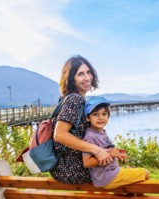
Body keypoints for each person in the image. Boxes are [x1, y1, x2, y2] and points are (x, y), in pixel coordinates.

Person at [50, 55, 113, 184]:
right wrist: (97, 150)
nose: (87, 77)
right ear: (72, 79)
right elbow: (59, 135)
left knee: (114, 163)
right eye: (80, 74)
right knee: (122, 173)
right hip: (72, 168)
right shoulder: (75, 99)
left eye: (88, 72)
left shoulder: (67, 98)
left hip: (63, 168)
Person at [82, 96, 150, 189]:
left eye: (104, 114)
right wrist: (110, 154)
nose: (100, 117)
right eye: (95, 114)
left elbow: (105, 149)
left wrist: (116, 154)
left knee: (132, 187)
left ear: (108, 116)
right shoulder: (90, 136)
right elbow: (87, 162)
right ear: (88, 118)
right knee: (145, 173)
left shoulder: (100, 132)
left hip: (111, 173)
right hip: (107, 177)